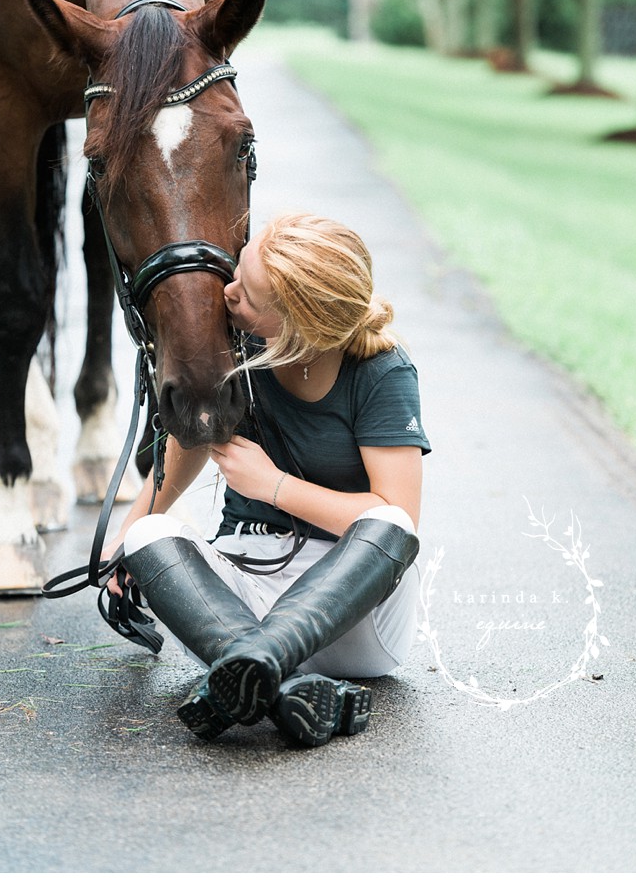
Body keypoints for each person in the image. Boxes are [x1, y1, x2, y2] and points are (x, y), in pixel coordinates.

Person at [105, 212, 429, 748]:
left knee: (389, 520)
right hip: (239, 600)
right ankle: (285, 683)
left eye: (247, 295)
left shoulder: (382, 374)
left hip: (352, 612)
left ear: (296, 325)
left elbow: (399, 522)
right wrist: (130, 532)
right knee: (146, 534)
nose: (227, 293)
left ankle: (254, 663)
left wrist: (273, 486)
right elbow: (194, 436)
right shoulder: (238, 344)